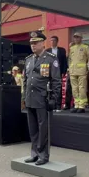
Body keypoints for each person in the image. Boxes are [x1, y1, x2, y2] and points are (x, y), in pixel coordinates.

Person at [22, 31, 61, 166]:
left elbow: (56, 80)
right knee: (32, 128)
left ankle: (43, 155)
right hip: (30, 98)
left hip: (43, 98)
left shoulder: (51, 59)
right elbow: (25, 80)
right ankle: (34, 153)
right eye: (31, 43)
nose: (33, 45)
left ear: (42, 43)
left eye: (36, 43)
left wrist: (54, 99)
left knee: (43, 128)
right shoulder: (28, 60)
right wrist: (24, 97)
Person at [68, 32, 89, 113]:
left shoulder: (85, 47)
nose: (76, 39)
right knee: (74, 89)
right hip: (73, 71)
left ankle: (82, 105)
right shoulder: (72, 48)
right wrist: (69, 69)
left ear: (81, 38)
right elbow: (70, 59)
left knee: (82, 88)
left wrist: (88, 69)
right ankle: (76, 104)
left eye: (78, 37)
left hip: (82, 71)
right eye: (75, 37)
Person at [47, 35, 69, 110]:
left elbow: (64, 62)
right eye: (51, 40)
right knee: (50, 89)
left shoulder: (62, 50)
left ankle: (58, 106)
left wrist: (64, 71)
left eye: (54, 40)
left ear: (57, 41)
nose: (52, 42)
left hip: (58, 72)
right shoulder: (47, 51)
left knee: (58, 88)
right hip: (50, 73)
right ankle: (51, 106)